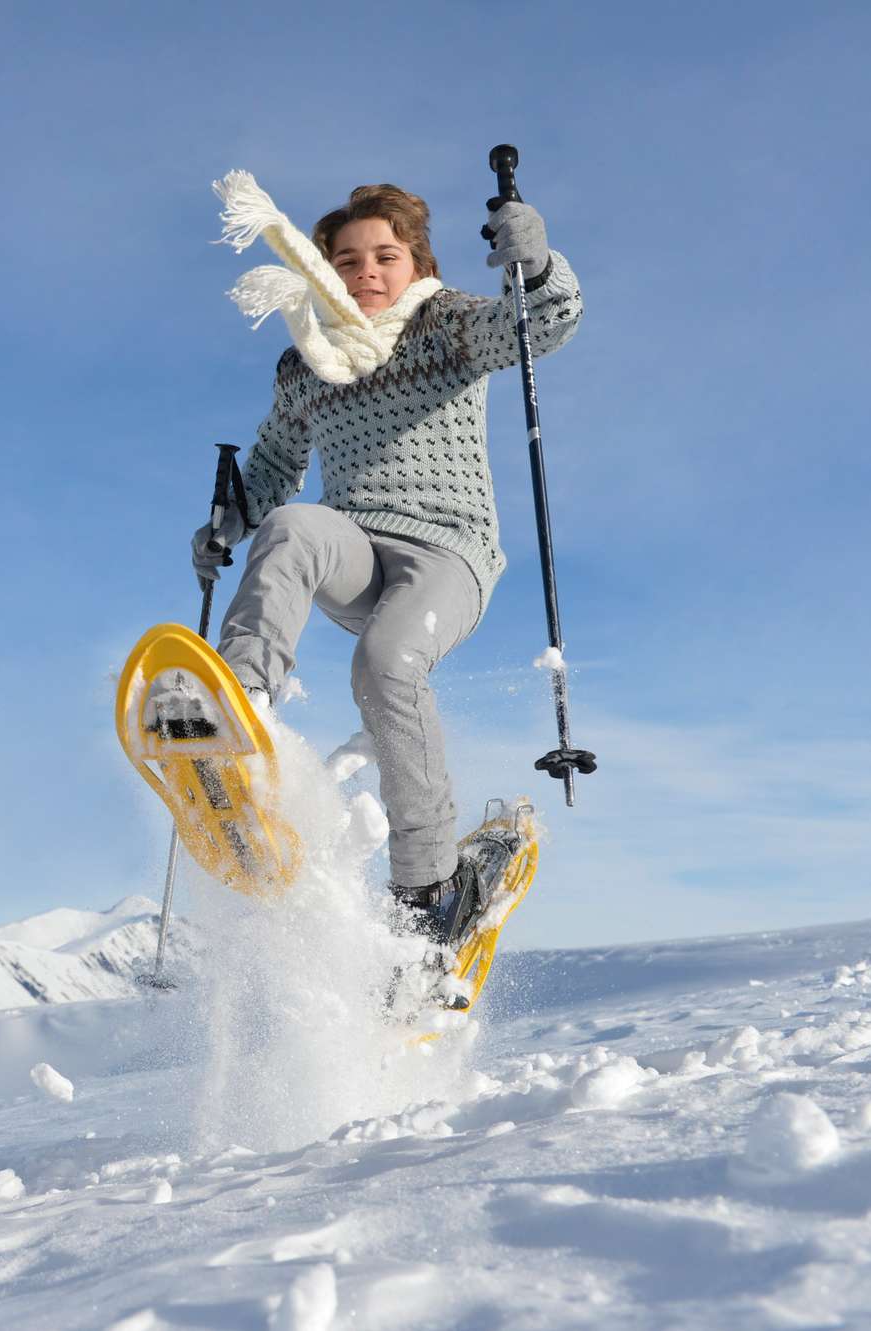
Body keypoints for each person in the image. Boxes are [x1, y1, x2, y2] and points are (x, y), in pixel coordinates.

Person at [180, 174, 582, 938]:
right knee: (296, 524)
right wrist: (230, 523)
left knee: (386, 660)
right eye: (347, 258)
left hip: (448, 552)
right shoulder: (308, 362)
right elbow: (271, 472)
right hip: (354, 546)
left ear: (418, 265)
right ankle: (239, 710)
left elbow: (546, 321)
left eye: (385, 255)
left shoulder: (447, 325)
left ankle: (430, 888)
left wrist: (533, 261)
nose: (366, 270)